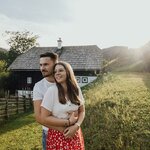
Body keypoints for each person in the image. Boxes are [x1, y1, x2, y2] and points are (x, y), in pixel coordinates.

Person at [41, 61, 85, 150]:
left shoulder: (76, 89)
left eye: (60, 70)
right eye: (55, 72)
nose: (57, 73)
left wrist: (77, 126)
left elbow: (82, 111)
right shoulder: (52, 91)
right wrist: (68, 122)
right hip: (58, 134)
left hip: (75, 133)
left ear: (68, 72)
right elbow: (44, 117)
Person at [33, 52, 60, 150]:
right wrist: (62, 129)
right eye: (40, 65)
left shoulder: (65, 83)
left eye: (46, 64)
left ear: (55, 64)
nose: (42, 68)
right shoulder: (38, 86)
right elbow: (38, 117)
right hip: (48, 132)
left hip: (71, 131)